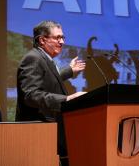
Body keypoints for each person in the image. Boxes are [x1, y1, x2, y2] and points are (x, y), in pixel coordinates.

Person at [15, 20, 86, 164]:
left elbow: (47, 80)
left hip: (48, 132)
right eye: (57, 37)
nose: (62, 42)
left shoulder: (43, 59)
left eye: (63, 38)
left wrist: (69, 71)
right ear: (42, 40)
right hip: (38, 132)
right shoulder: (33, 58)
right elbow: (31, 95)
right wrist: (66, 99)